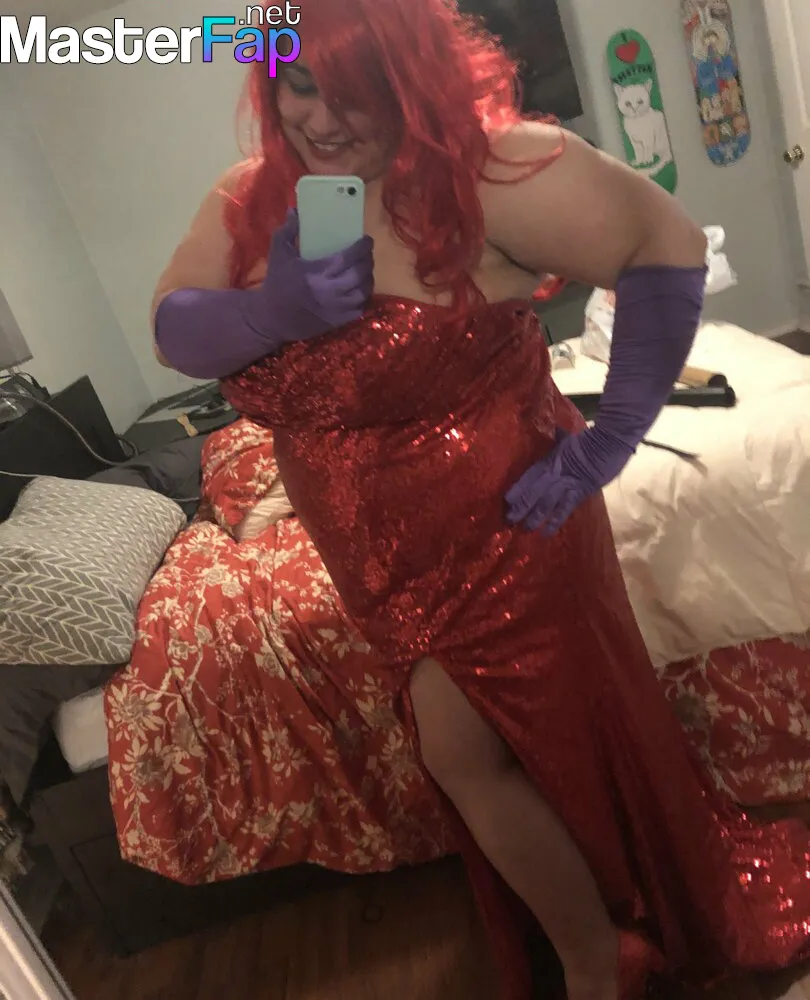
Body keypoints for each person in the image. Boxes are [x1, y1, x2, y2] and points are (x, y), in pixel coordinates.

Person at [150, 2, 810, 997]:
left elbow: (666, 246)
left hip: (504, 528)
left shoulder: (488, 173)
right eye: (300, 87)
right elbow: (174, 329)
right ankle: (611, 916)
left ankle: (597, 960)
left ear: (412, 79)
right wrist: (269, 312)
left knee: (464, 753)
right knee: (515, 751)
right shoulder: (258, 198)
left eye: (354, 91)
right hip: (377, 564)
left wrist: (611, 441)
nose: (321, 119)